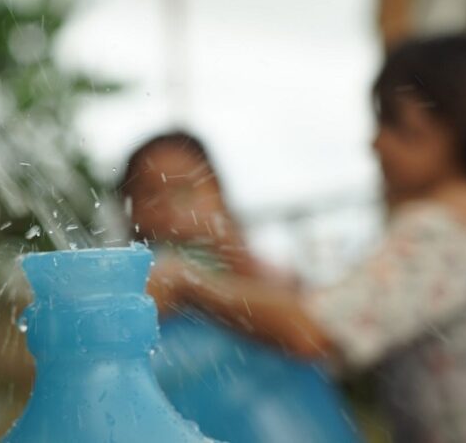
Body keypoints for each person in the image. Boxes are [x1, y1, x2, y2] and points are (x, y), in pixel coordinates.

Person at [149, 34, 466, 442]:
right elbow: (334, 299)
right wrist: (224, 245)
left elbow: (314, 330)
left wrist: (187, 282)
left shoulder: (443, 231)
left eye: (398, 127)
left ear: (460, 131)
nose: (376, 143)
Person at [119, 132, 359, 443]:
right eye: (150, 193)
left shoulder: (257, 274)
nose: (169, 206)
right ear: (131, 211)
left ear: (218, 193)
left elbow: (306, 333)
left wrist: (190, 280)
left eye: (184, 189)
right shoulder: (138, 292)